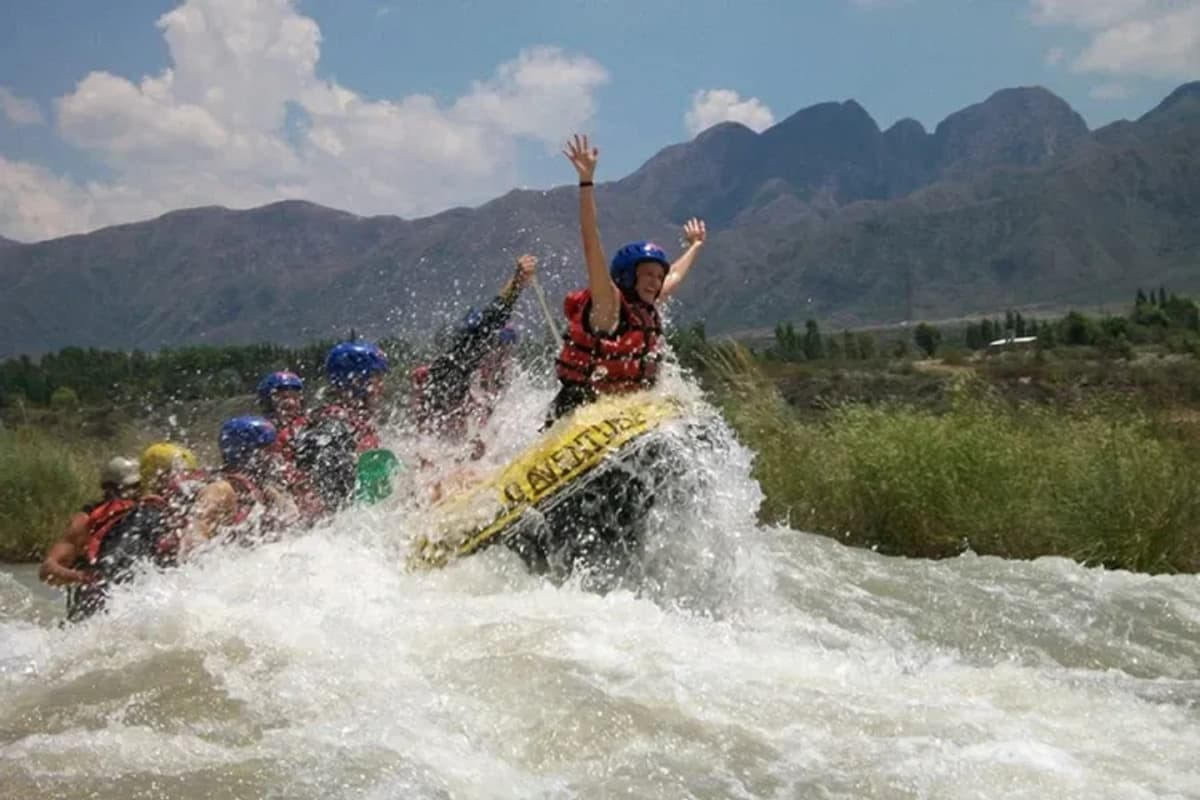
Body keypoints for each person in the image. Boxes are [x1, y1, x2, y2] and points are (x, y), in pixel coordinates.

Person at [551, 134, 707, 421]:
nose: (655, 281)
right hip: (577, 409)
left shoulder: (646, 304)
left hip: (623, 409)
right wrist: (586, 182)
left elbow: (672, 276)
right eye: (647, 275)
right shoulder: (608, 304)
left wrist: (695, 246)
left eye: (657, 277)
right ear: (626, 277)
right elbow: (591, 242)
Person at [41, 447, 199, 622]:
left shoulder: (143, 514)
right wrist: (85, 578)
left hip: (103, 611)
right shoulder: (90, 519)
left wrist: (87, 578)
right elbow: (48, 570)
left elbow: (48, 571)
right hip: (124, 611)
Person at [411, 255, 536, 443]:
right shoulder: (454, 368)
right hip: (444, 453)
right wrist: (516, 283)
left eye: (505, 350)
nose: (502, 357)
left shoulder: (499, 378)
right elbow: (493, 317)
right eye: (498, 348)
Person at [179, 417, 298, 548]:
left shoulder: (266, 490)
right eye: (268, 451)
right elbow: (192, 540)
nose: (275, 458)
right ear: (248, 454)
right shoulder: (221, 490)